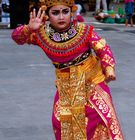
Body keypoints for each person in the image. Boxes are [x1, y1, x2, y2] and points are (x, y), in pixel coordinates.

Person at [11, 0, 124, 139]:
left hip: (92, 82)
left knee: (101, 118)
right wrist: (29, 28)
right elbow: (17, 38)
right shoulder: (42, 34)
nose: (61, 17)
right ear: (47, 15)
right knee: (62, 124)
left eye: (65, 12)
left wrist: (109, 68)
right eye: (55, 13)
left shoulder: (84, 31)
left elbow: (103, 49)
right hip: (66, 87)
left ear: (71, 12)